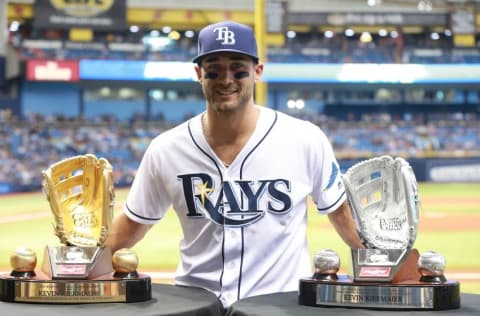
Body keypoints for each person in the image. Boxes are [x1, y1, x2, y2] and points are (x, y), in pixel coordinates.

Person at [105, 20, 364, 308]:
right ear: (198, 74)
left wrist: (387, 267)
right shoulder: (166, 149)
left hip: (278, 306)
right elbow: (132, 222)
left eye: (238, 68)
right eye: (214, 69)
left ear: (258, 71)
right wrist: (75, 268)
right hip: (196, 305)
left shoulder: (304, 138)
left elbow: (339, 211)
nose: (226, 79)